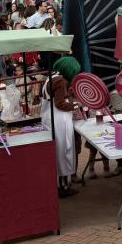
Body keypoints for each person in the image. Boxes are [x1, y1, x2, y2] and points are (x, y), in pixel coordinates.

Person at [42, 56, 81, 197]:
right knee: (64, 151)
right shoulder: (60, 81)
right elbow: (60, 103)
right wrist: (76, 105)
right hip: (59, 120)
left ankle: (62, 184)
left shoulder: (52, 77)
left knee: (59, 152)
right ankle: (64, 186)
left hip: (50, 118)